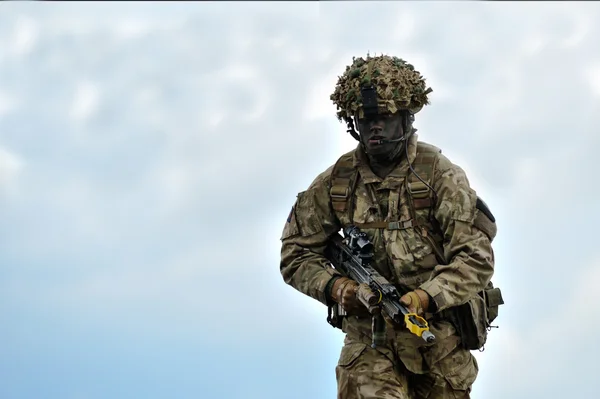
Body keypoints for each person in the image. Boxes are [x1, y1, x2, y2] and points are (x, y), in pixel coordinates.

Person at [279, 54, 502, 399]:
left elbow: (475, 259)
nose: (374, 127)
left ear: (406, 117)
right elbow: (295, 254)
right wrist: (341, 288)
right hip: (369, 339)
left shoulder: (440, 177)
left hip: (439, 339)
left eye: (383, 116)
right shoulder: (336, 183)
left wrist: (425, 297)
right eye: (365, 119)